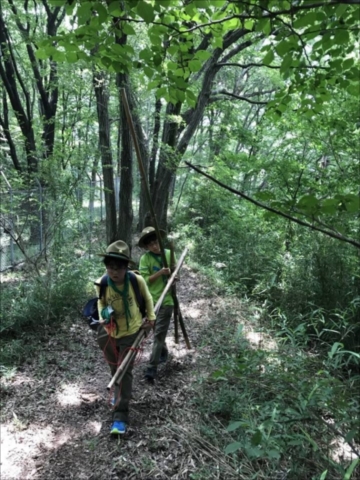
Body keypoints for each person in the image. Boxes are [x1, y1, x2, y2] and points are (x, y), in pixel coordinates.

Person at [96, 240, 156, 435]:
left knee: (125, 371)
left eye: (119, 268)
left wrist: (151, 319)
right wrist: (104, 317)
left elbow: (147, 299)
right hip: (110, 333)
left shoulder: (136, 280)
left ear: (126, 267)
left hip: (131, 333)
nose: (115, 272)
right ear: (106, 267)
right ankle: (118, 392)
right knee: (115, 368)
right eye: (111, 267)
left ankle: (120, 417)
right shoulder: (103, 283)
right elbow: (101, 304)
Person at [138, 227, 175, 381]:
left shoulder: (168, 254)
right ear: (146, 247)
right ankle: (164, 352)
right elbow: (144, 280)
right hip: (151, 302)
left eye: (156, 242)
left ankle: (151, 368)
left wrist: (173, 276)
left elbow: (174, 273)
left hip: (166, 301)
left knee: (159, 334)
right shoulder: (145, 259)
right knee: (157, 332)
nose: (155, 246)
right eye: (150, 244)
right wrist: (160, 272)